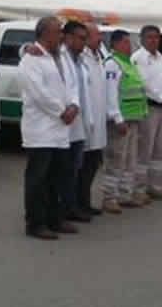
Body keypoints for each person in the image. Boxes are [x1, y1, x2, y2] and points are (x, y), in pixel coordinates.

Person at [18, 17, 79, 240]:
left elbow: (72, 84)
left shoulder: (60, 56)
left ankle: (55, 218)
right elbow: (38, 93)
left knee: (57, 177)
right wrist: (61, 111)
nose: (61, 35)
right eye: (57, 31)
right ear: (44, 34)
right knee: (38, 179)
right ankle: (35, 223)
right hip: (41, 129)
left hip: (60, 129)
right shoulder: (31, 59)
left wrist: (74, 105)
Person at [105, 30, 150, 208]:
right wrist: (117, 118)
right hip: (121, 120)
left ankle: (125, 194)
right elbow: (110, 93)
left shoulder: (128, 63)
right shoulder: (112, 64)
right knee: (116, 159)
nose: (129, 45)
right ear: (115, 44)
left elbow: (139, 89)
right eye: (125, 42)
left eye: (129, 42)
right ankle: (110, 197)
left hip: (133, 118)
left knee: (130, 159)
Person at [131, 25, 162, 201]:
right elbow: (143, 83)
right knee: (144, 150)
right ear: (141, 39)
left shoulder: (161, 58)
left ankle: (155, 186)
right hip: (148, 107)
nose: (153, 40)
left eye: (156, 37)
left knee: (159, 149)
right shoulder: (138, 58)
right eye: (149, 37)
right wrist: (161, 97)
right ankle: (138, 189)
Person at [59, 21, 96, 223]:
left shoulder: (80, 60)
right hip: (64, 122)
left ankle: (71, 208)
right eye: (81, 38)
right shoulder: (59, 57)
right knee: (63, 171)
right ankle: (62, 210)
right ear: (68, 37)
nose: (84, 42)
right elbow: (28, 53)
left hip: (79, 122)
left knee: (74, 169)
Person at [80, 22, 109, 215]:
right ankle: (78, 204)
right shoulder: (81, 57)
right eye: (97, 35)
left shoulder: (98, 55)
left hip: (98, 120)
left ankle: (85, 203)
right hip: (85, 121)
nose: (100, 38)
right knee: (82, 168)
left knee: (92, 165)